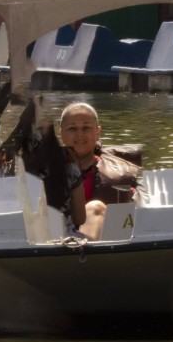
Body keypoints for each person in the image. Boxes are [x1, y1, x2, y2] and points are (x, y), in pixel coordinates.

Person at [58, 102, 140, 241]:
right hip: (53, 239)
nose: (80, 134)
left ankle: (81, 250)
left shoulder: (122, 173)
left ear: (97, 132)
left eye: (86, 128)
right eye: (72, 128)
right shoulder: (45, 171)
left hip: (103, 243)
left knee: (94, 208)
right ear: (61, 133)